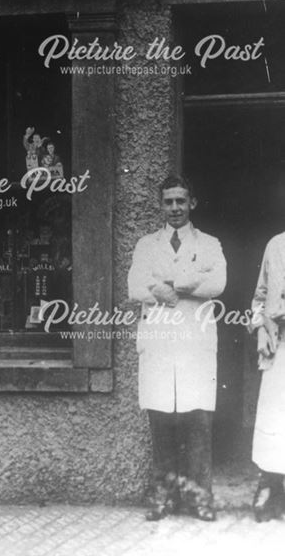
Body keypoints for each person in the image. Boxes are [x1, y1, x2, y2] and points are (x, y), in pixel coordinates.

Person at [127, 174, 227, 522]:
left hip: (194, 344)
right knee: (162, 423)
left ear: (192, 203)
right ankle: (163, 497)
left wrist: (176, 284)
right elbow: (135, 285)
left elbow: (218, 282)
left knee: (197, 420)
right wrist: (159, 289)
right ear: (161, 205)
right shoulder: (146, 245)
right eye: (168, 201)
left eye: (180, 201)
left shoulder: (210, 243)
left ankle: (200, 499)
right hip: (159, 343)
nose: (174, 208)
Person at [249, 231, 285, 522]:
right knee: (274, 417)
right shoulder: (275, 245)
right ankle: (271, 487)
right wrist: (260, 328)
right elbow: (260, 296)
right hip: (280, 342)